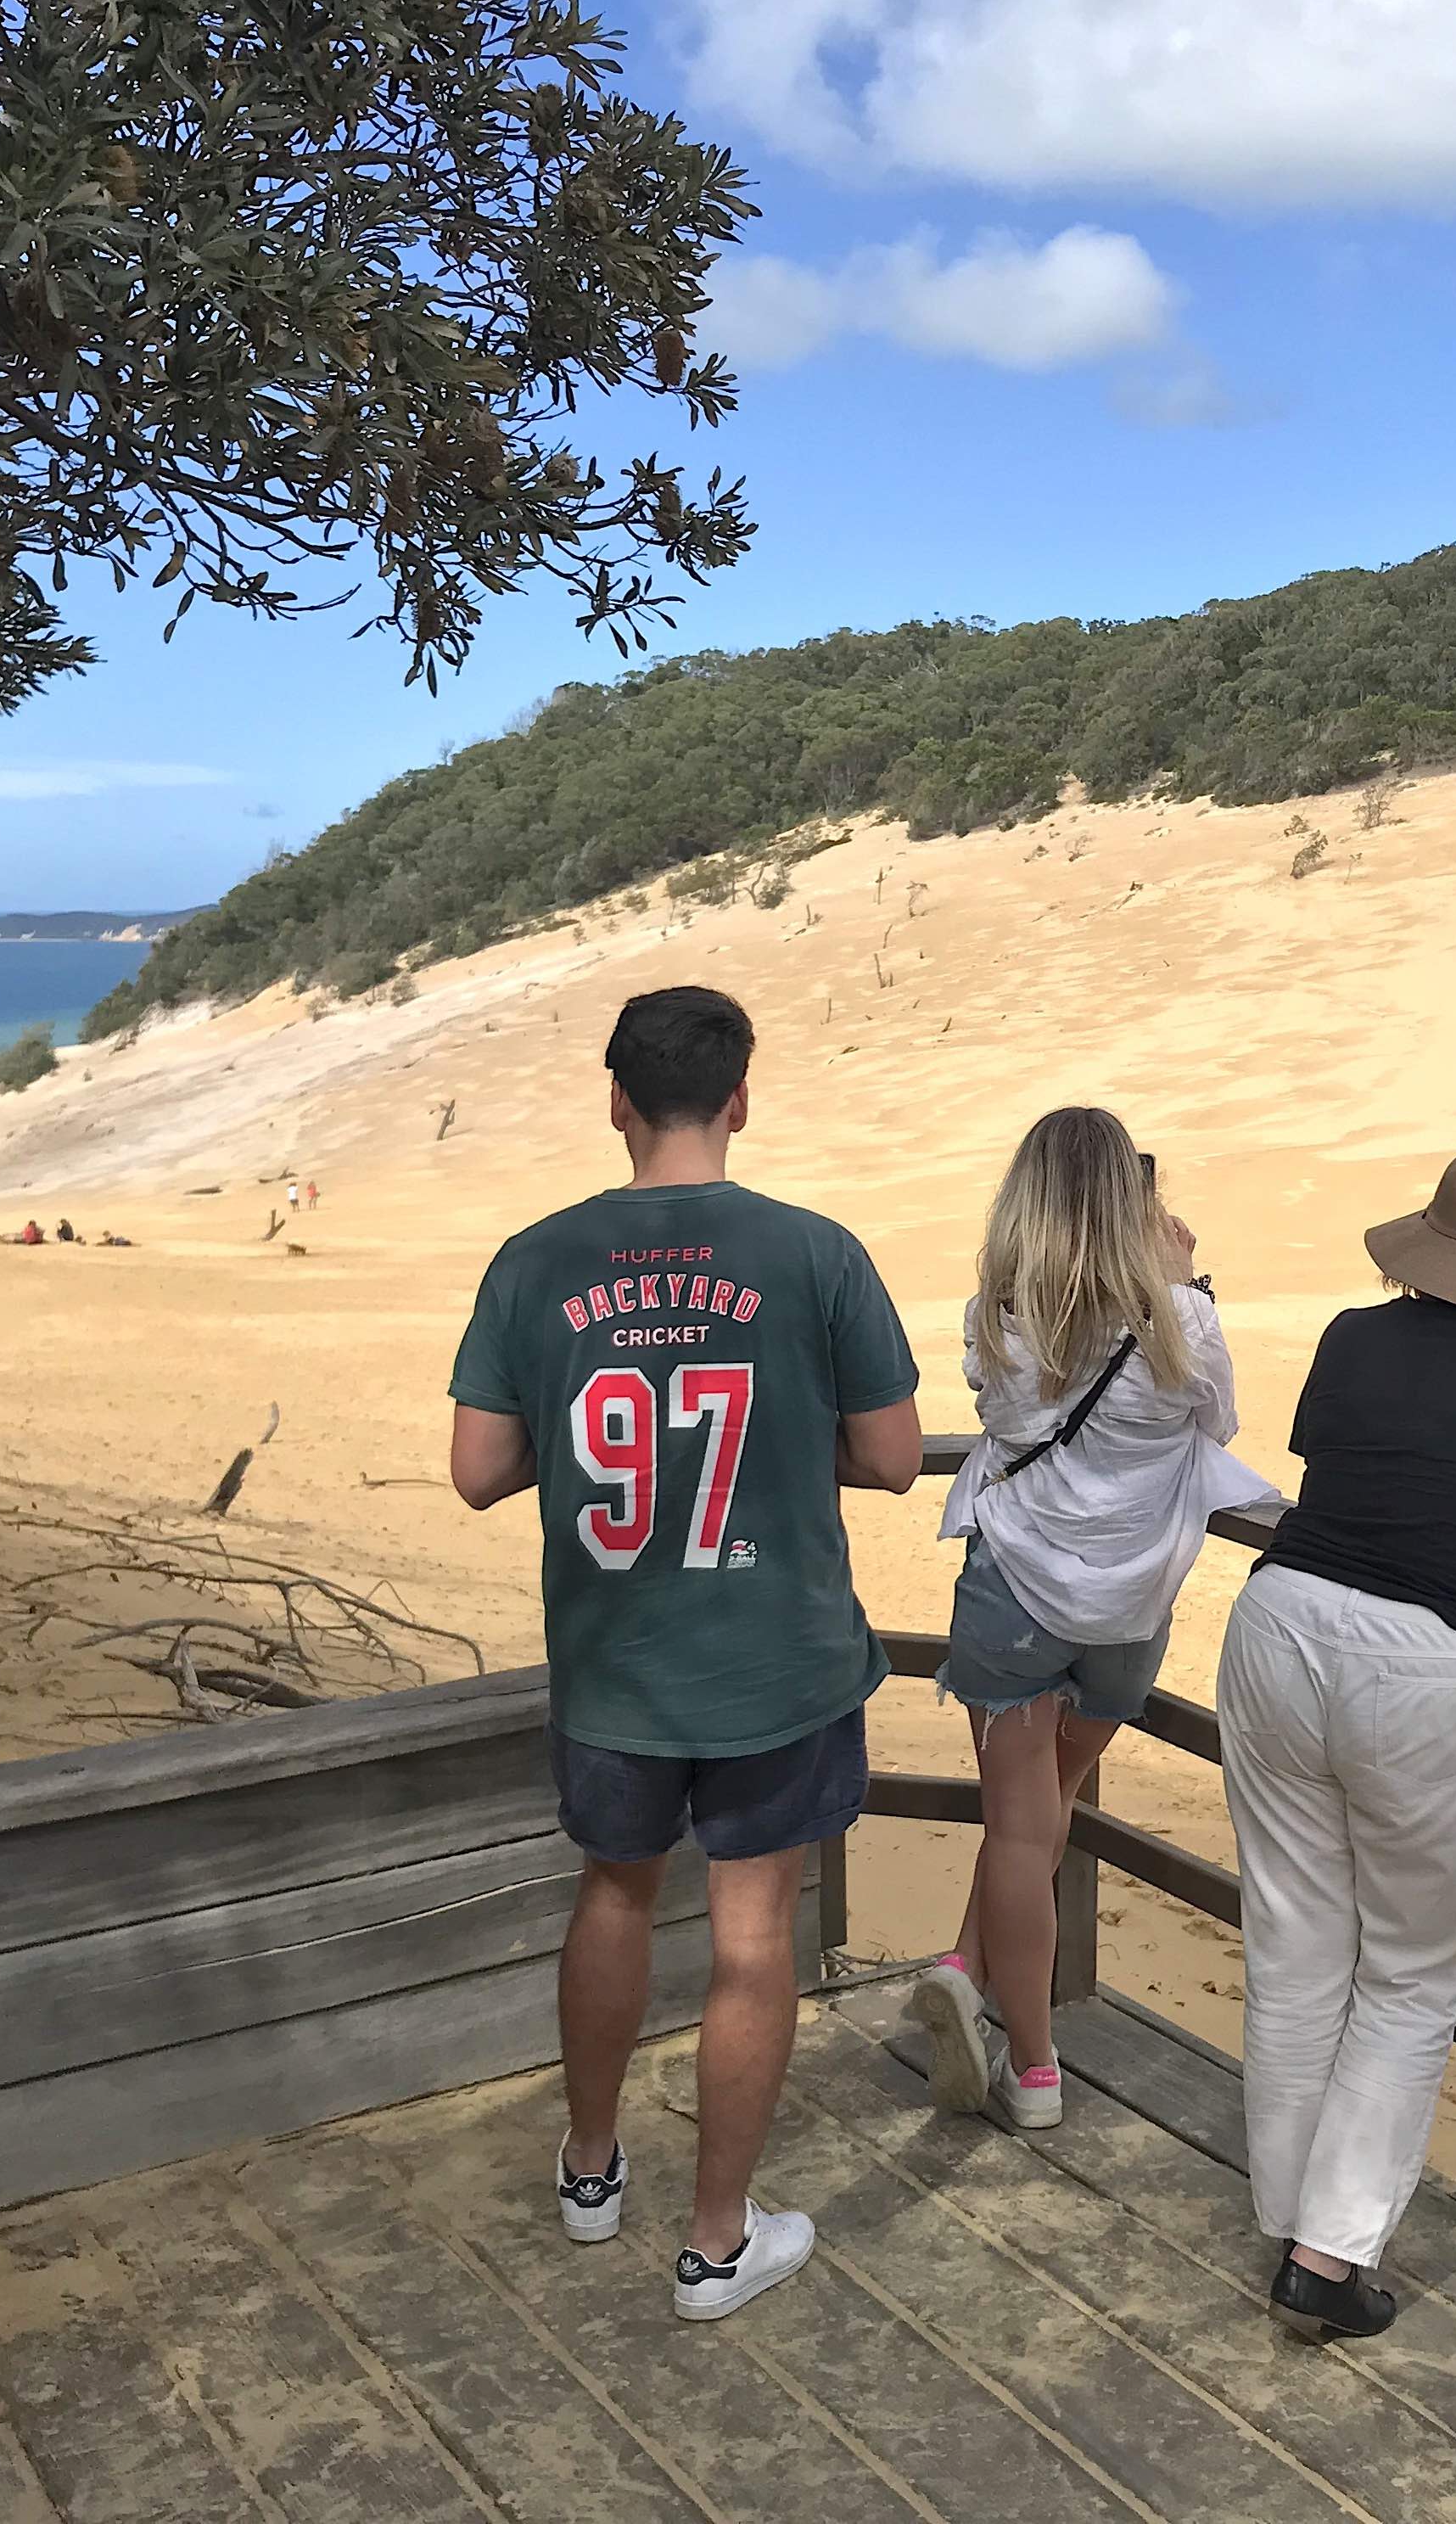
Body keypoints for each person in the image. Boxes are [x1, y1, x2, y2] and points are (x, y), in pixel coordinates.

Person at [447, 985, 921, 2321]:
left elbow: (481, 1470)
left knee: (611, 1891)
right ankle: (719, 2243)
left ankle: (591, 2171)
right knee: (753, 1935)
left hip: (613, 1662)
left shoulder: (535, 1258)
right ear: (741, 1098)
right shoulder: (816, 1253)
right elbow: (891, 1458)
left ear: (614, 1100)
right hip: (777, 1659)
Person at [1216, 1148, 1456, 2342]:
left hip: (1281, 1624)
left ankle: (1287, 2219)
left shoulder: (1351, 1334)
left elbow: (1332, 1477)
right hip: (1425, 1666)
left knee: (1294, 1945)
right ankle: (1327, 2261)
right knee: (1413, 1976)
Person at [912, 1113, 1273, 2129]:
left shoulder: (997, 1308)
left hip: (1015, 1593)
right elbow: (1221, 1424)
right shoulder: (1182, 1322)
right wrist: (1188, 1287)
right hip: (1129, 1608)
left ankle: (1029, 2065)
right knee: (1050, 1804)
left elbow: (994, 1410)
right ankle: (968, 1970)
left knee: (1023, 1826)